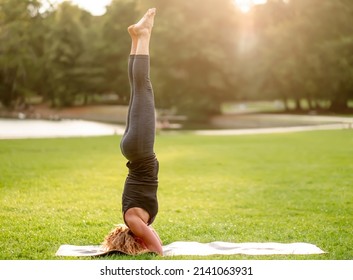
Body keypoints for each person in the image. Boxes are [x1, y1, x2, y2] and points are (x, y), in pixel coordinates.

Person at [102, 8, 163, 256]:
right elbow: (153, 235)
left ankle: (144, 35)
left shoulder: (134, 222)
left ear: (134, 242)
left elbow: (154, 242)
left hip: (139, 149)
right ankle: (137, 38)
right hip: (133, 149)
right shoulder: (136, 221)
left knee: (143, 87)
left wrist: (159, 253)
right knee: (138, 89)